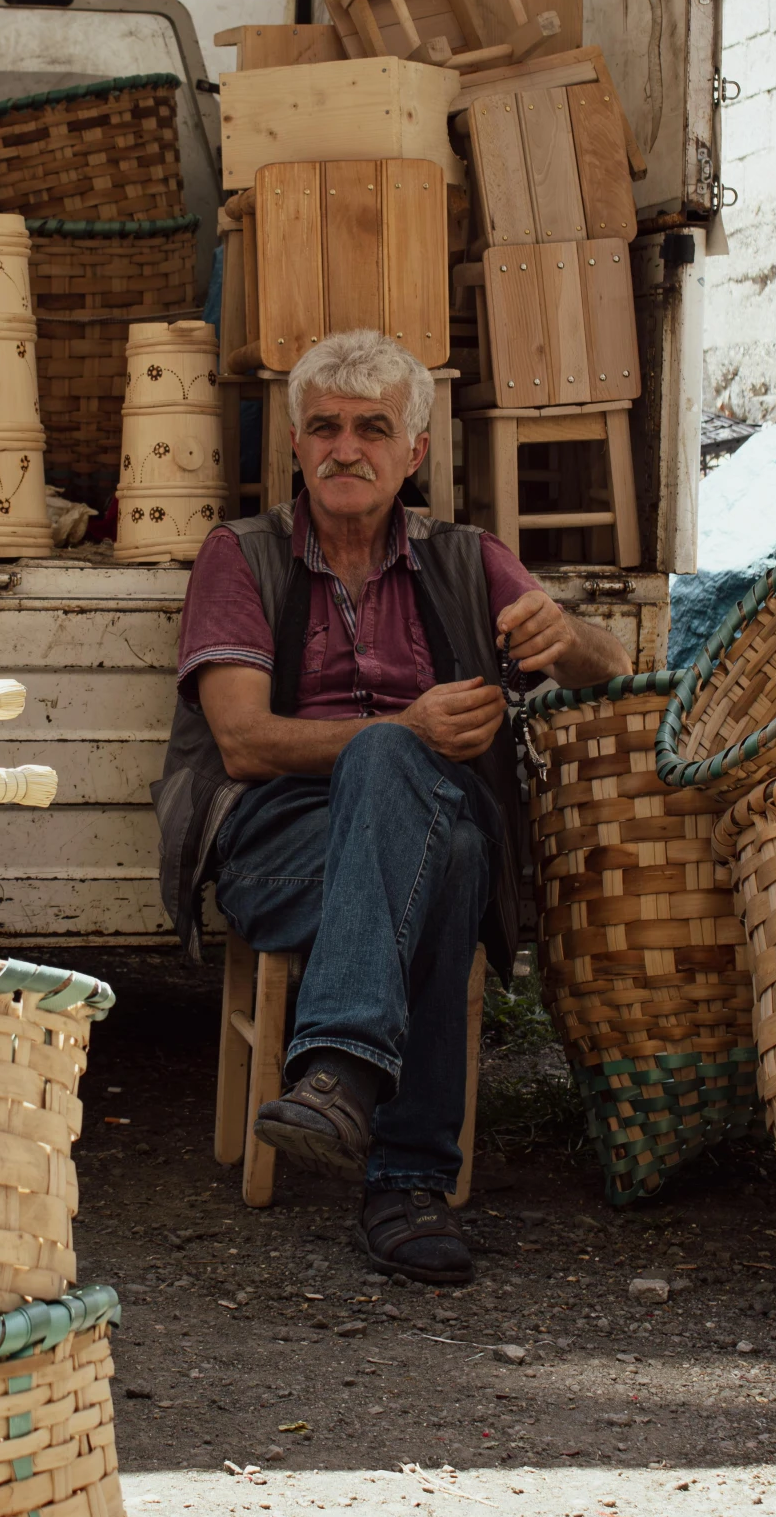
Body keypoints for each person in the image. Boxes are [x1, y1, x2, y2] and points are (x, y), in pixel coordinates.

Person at [153, 329, 630, 1282]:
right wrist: (402, 730)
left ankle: (338, 1078)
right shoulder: (239, 557)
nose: (345, 448)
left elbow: (614, 666)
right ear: (295, 447)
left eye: (373, 428)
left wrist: (564, 635)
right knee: (407, 794)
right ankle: (406, 1181)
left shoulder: (465, 557)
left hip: (418, 844)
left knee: (441, 839)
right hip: (278, 848)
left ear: (413, 453)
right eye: (323, 427)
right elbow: (243, 741)